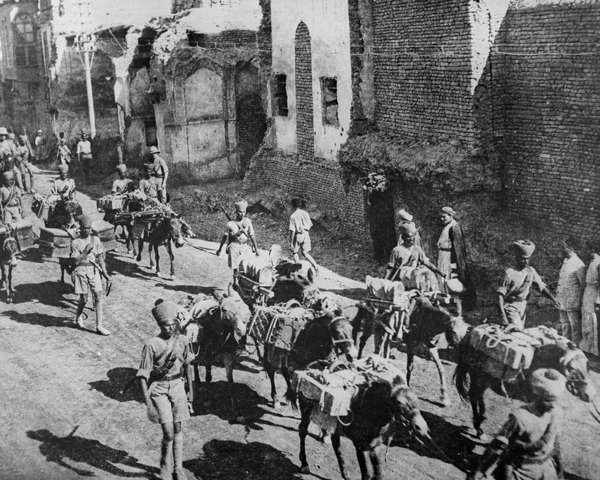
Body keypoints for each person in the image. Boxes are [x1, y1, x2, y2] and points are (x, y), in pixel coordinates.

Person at [470, 368, 566, 480]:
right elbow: (496, 446)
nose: (553, 404)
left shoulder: (557, 412)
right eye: (548, 400)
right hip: (522, 471)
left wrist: (560, 471)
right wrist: (477, 471)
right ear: (537, 396)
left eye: (555, 399)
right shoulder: (520, 417)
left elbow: (556, 445)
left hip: (547, 470)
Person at [137, 300, 195, 480]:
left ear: (176, 324)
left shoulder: (183, 340)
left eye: (172, 325)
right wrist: (148, 402)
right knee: (168, 432)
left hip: (178, 386)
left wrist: (190, 391)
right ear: (159, 325)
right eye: (165, 325)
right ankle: (164, 467)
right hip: (159, 389)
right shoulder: (151, 344)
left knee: (178, 427)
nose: (169, 328)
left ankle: (178, 468)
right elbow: (143, 375)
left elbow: (188, 367)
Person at [497, 241, 560, 330]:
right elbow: (500, 295)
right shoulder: (510, 273)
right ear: (517, 258)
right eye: (523, 258)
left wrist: (553, 299)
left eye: (528, 258)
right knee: (517, 330)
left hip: (523, 306)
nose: (526, 261)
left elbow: (541, 288)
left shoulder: (530, 271)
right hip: (511, 306)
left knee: (519, 331)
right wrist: (502, 316)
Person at [70, 214, 110, 335]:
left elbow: (100, 259)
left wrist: (106, 273)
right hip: (81, 270)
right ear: (80, 229)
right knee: (84, 299)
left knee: (98, 296)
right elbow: (75, 261)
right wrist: (85, 251)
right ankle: (78, 316)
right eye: (84, 228)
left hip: (93, 270)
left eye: (88, 228)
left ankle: (99, 326)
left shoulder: (95, 240)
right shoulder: (75, 242)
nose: (86, 230)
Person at [437, 206, 476, 309]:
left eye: (444, 217)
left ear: (450, 215)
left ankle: (456, 303)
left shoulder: (454, 227)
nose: (442, 219)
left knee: (451, 280)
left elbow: (458, 248)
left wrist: (454, 264)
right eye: (441, 217)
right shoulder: (447, 226)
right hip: (443, 256)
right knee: (443, 279)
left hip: (449, 257)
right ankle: (447, 301)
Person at [216, 200, 259, 287]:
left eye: (243, 212)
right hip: (234, 246)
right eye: (240, 212)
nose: (242, 214)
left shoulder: (247, 222)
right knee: (235, 267)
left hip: (245, 246)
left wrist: (256, 249)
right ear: (236, 212)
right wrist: (220, 249)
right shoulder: (230, 224)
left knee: (246, 266)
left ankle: (244, 284)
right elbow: (224, 237)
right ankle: (235, 283)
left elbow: (252, 235)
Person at [555, 240, 585, 343]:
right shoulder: (566, 261)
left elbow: (582, 285)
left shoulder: (578, 263)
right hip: (563, 299)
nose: (562, 250)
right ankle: (565, 346)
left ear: (570, 249)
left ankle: (575, 347)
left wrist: (579, 302)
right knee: (565, 325)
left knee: (574, 327)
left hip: (573, 301)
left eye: (564, 248)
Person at [289, 196, 319, 274]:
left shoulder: (293, 216)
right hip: (306, 234)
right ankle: (315, 266)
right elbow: (310, 225)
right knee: (305, 253)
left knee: (295, 253)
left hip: (298, 235)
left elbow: (292, 231)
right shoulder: (306, 213)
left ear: (293, 206)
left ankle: (299, 270)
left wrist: (291, 242)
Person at [581, 240, 600, 356]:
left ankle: (593, 350)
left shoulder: (599, 263)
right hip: (588, 293)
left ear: (593, 251)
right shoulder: (592, 262)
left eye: (588, 250)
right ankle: (587, 347)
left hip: (594, 294)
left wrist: (598, 301)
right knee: (586, 320)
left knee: (592, 321)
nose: (586, 252)